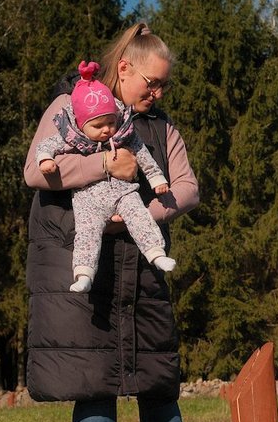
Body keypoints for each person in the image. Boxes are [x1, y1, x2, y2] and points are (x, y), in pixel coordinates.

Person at [23, 23, 199, 422]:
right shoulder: (70, 106)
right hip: (78, 265)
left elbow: (187, 188)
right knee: (92, 379)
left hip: (140, 267)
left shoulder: (162, 129)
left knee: (156, 380)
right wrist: (105, 167)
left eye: (164, 85)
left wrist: (141, 213)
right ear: (124, 68)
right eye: (152, 82)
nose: (158, 92)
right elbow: (35, 171)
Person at [36, 60, 176, 293]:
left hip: (123, 192)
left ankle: (156, 253)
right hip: (88, 199)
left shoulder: (124, 134)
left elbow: (144, 157)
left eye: (111, 122)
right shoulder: (73, 138)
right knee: (87, 233)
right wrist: (46, 160)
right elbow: (47, 144)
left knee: (140, 216)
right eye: (98, 125)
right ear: (81, 125)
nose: (106, 130)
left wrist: (157, 180)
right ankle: (83, 273)